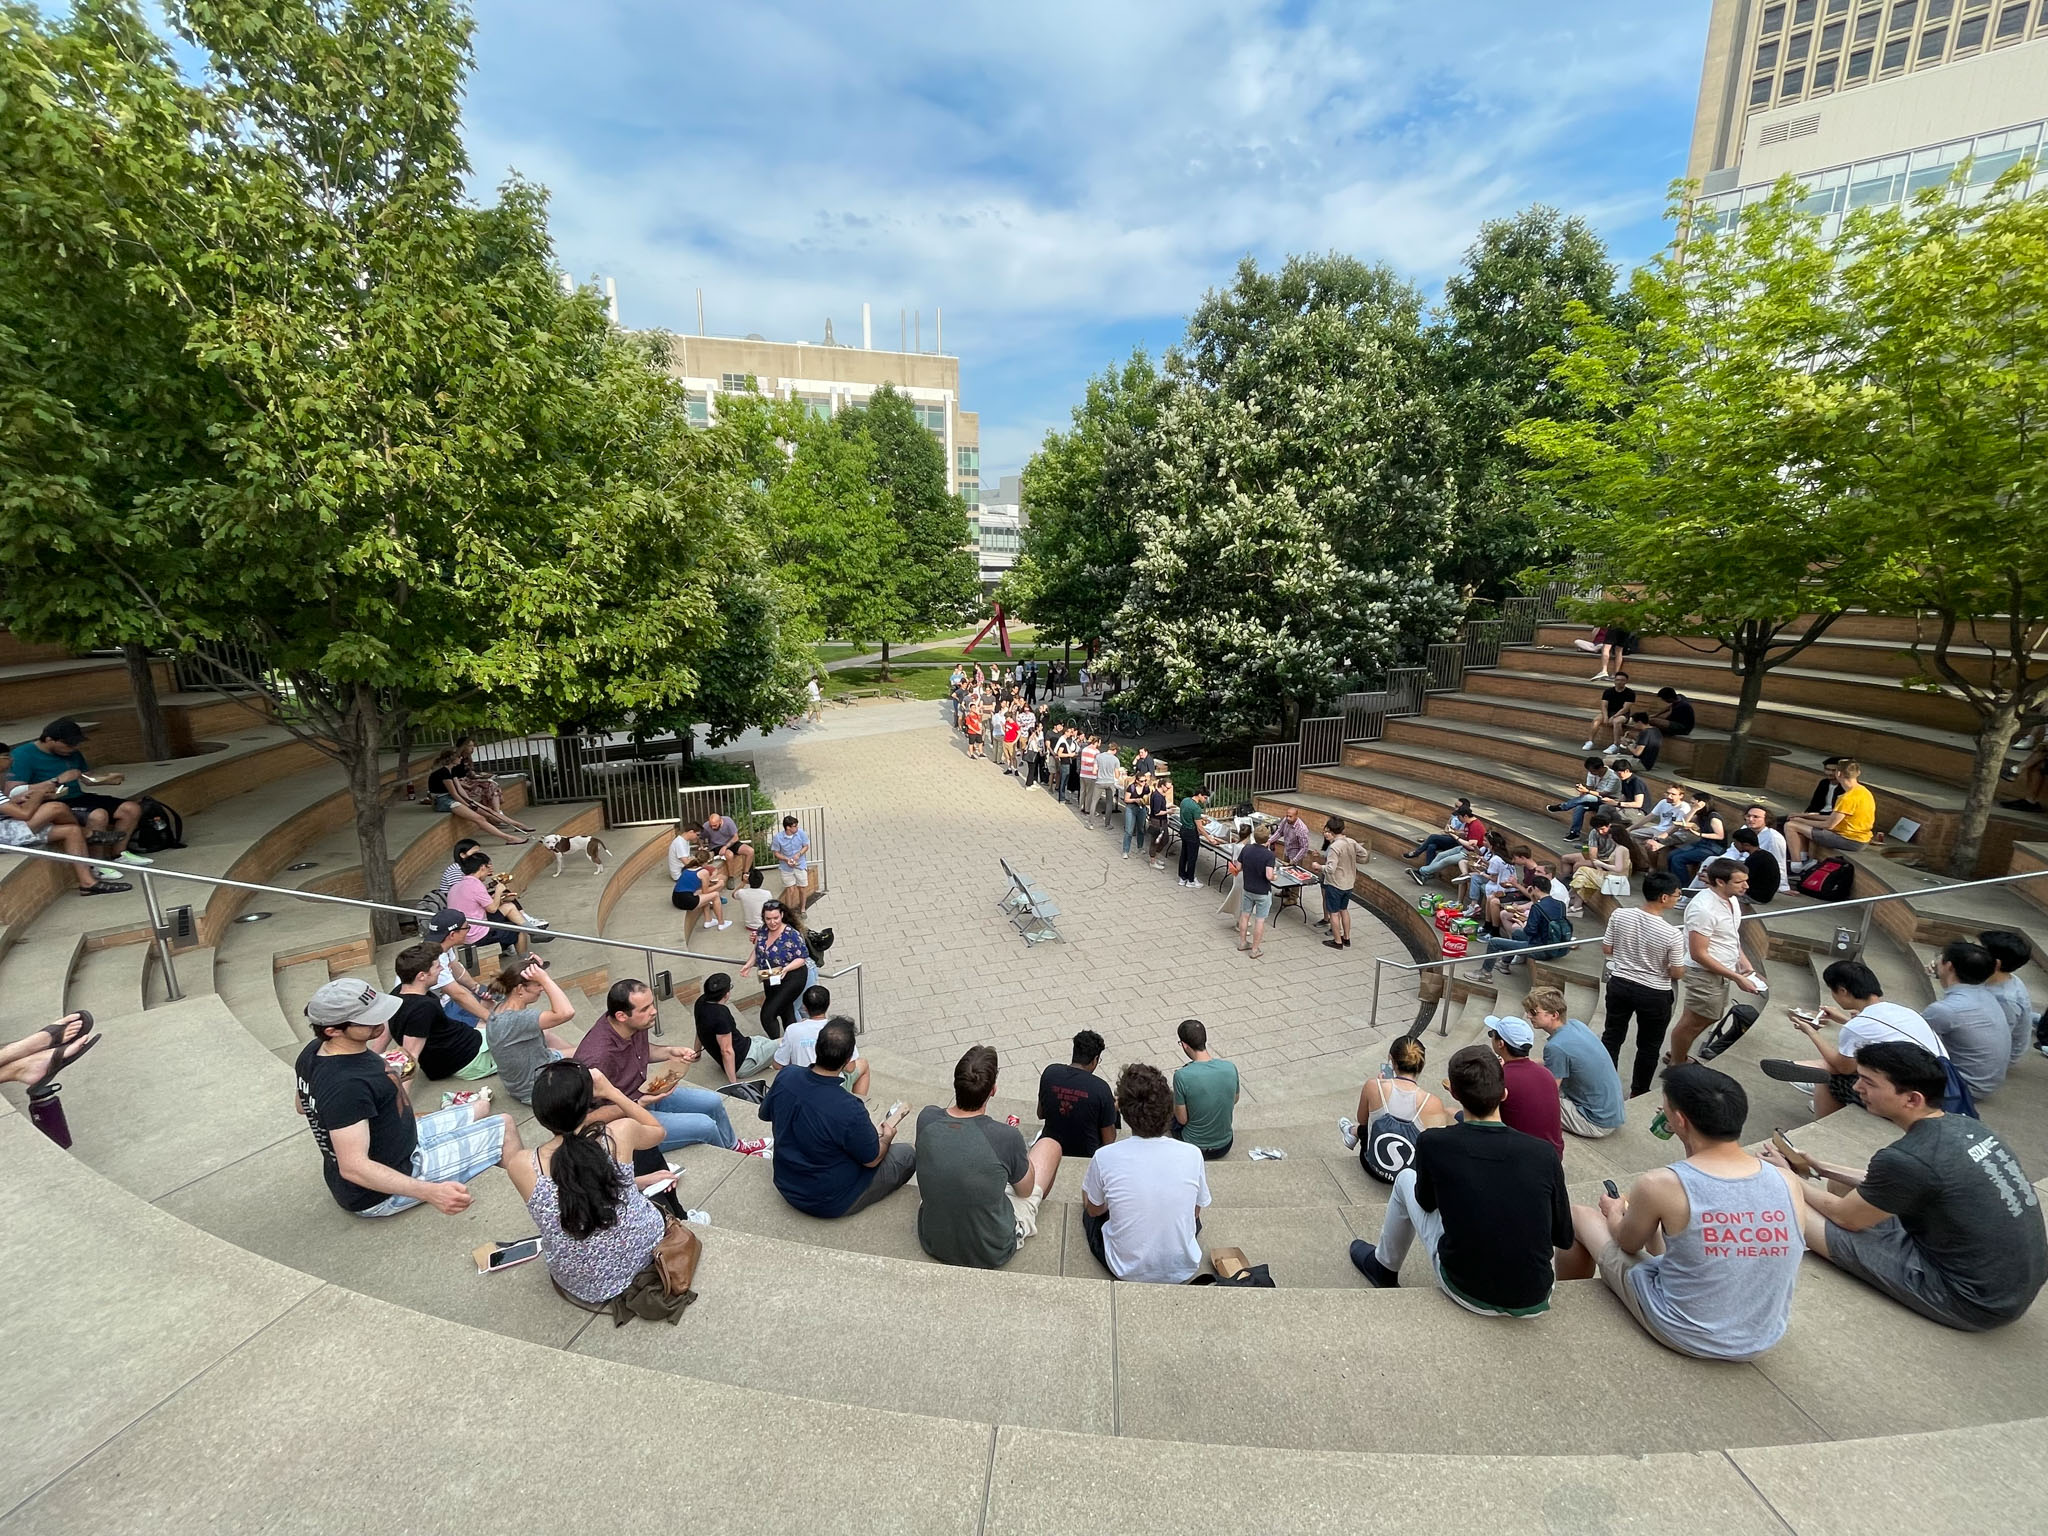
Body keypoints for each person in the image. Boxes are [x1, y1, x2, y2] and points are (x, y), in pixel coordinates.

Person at [1764, 1041, 2047, 1331]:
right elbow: (1900, 1180)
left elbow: (1843, 1217)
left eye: (1868, 1082)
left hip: (1971, 1299)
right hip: (2006, 1282)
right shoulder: (1968, 1127)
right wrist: (1822, 1168)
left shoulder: (1908, 1157)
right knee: (1837, 1184)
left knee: (1785, 1199)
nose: (1857, 1087)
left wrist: (1788, 1176)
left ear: (1912, 1099)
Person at [1556, 1064, 1807, 1360]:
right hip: (1761, 1336)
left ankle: (1568, 1307)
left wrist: (1614, 1211)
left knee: (1577, 1215)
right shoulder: (1786, 1181)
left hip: (1684, 1330)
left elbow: (1626, 1242)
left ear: (1678, 1120)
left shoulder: (1661, 1184)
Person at [1348, 1044, 1574, 1315]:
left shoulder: (1435, 1143)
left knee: (1406, 1178)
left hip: (1464, 1288)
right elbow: (1562, 1235)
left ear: (1453, 1093)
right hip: (1536, 1294)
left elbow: (1426, 1202)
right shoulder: (1544, 1153)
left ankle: (1383, 1266)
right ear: (1504, 1094)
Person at [295, 979, 515, 1217]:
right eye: (369, 1019)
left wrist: (387, 1074)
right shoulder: (347, 1086)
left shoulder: (314, 1051)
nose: (380, 1021)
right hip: (381, 1189)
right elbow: (354, 1167)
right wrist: (431, 1192)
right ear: (333, 1030)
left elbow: (301, 1104)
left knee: (480, 1107)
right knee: (504, 1126)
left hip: (399, 1139)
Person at [504, 1060, 669, 1306]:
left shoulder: (520, 1165)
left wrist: (636, 1182)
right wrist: (611, 1091)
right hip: (643, 1254)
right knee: (661, 1199)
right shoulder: (617, 1134)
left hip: (577, 1283)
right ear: (588, 1106)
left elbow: (572, 1188)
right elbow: (657, 1130)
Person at [574, 978, 767, 1155]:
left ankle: (734, 1146)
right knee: (705, 1126)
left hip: (642, 1094)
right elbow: (583, 1120)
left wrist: (669, 1052)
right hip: (623, 1119)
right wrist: (639, 1104)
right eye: (645, 1009)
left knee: (713, 1102)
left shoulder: (634, 1023)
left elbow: (638, 1051)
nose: (654, 1011)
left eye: (652, 1004)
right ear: (621, 1016)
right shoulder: (596, 1058)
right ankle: (729, 1157)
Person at [916, 1046, 1063, 1269]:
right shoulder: (1006, 1137)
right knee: (1050, 1146)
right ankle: (1026, 1219)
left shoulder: (926, 1118)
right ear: (992, 1090)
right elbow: (1024, 1190)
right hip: (991, 1250)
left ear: (956, 1083)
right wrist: (1018, 1152)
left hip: (933, 1240)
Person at [758, 1019, 915, 1218]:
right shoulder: (849, 1108)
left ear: (817, 1047)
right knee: (908, 1153)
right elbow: (872, 1160)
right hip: (829, 1200)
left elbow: (765, 1113)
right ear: (848, 1058)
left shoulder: (786, 1075)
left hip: (785, 1181)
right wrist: (887, 1136)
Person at [1767, 958, 1948, 1117]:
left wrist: (1811, 1032)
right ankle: (1802, 1068)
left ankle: (1823, 1117)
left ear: (1843, 991)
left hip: (1909, 1099)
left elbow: (1843, 1067)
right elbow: (1875, 1035)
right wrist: (1843, 1019)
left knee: (1831, 1077)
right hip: (1939, 1086)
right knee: (1860, 1061)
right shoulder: (1902, 1011)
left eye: (1832, 990)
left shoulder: (1858, 1026)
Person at [1081, 1063, 1211, 1283]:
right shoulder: (1192, 1153)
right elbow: (1196, 1212)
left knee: (1088, 1207)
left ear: (1121, 1109)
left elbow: (1094, 1211)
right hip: (1184, 1268)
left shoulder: (1105, 1157)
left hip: (1126, 1269)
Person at [1668, 858, 1766, 1067]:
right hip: (1704, 974)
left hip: (1722, 970)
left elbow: (1728, 935)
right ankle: (1677, 1063)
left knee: (1702, 1018)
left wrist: (1745, 964)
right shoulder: (1704, 909)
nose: (1746, 886)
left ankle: (1678, 1054)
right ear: (1720, 882)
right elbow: (1698, 953)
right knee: (1694, 1022)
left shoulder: (1731, 900)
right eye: (1740, 882)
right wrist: (1737, 977)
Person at [8, 718, 148, 864]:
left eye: (76, 744)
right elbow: (13, 791)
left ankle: (119, 854)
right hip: (50, 802)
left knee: (131, 809)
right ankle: (97, 864)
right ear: (49, 739)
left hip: (77, 796)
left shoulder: (71, 753)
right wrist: (56, 780)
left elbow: (86, 778)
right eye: (68, 744)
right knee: (98, 815)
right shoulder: (23, 755)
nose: (73, 748)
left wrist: (106, 779)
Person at [1600, 874, 1689, 1098]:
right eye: (1677, 895)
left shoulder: (1619, 914)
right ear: (1664, 897)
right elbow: (1677, 972)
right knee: (1649, 1046)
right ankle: (1638, 1091)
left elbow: (1607, 949)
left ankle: (1605, 1085)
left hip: (1620, 984)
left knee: (1612, 1036)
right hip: (1654, 993)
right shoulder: (1672, 934)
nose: (1678, 899)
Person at [1338, 1034, 1450, 1182]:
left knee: (1367, 1124)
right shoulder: (1433, 1103)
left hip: (1372, 1165)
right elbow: (1435, 1147)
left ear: (1391, 1060)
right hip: (1409, 1176)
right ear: (1421, 1065)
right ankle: (1351, 1132)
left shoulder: (1373, 1086)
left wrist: (1380, 1086)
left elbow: (1362, 1119)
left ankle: (1351, 1132)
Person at [0, 775, 133, 896]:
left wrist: (15, 800)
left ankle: (88, 884)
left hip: (8, 826)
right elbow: (24, 814)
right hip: (4, 835)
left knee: (72, 831)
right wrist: (38, 795)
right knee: (55, 808)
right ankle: (87, 834)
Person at [1922, 940, 2014, 1098]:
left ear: (1949, 966)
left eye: (1939, 958)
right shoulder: (1989, 996)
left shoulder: (1945, 1010)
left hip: (1960, 1086)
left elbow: (1908, 1039)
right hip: (1984, 1083)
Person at [484, 954, 579, 1104]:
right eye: (538, 984)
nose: (541, 988)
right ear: (520, 989)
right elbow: (566, 1012)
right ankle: (576, 1067)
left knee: (547, 1034)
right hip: (535, 1088)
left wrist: (534, 966)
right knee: (588, 1050)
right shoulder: (518, 1020)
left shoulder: (504, 1005)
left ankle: (574, 1066)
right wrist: (545, 979)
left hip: (517, 1084)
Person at [386, 941, 486, 1080]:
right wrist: (402, 1100)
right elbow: (410, 1057)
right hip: (470, 1059)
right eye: (437, 967)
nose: (441, 970)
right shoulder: (422, 1009)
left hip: (463, 1042)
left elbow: (387, 1030)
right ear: (422, 976)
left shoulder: (397, 993)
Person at [1484, 1015, 1564, 1157]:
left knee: (1453, 1114)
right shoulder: (1546, 1074)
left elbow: (1481, 1117)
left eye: (1492, 1034)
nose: (1491, 1037)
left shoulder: (1501, 1078)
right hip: (1551, 1155)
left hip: (1520, 1158)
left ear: (1501, 1043)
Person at [773, 986, 870, 1098]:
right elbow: (850, 1068)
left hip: (802, 1085)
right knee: (863, 1064)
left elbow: (778, 1064)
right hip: (833, 1085)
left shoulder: (792, 1030)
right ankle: (859, 1101)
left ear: (804, 1007)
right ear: (828, 1004)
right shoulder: (840, 1031)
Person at [1784, 758, 1876, 874]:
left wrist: (1800, 820)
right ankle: (1804, 861)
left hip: (1850, 840)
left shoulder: (1847, 798)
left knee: (1790, 826)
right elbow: (1833, 818)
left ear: (1839, 774)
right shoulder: (1864, 792)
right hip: (1858, 838)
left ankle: (1796, 866)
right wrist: (1804, 817)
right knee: (1799, 824)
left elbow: (1829, 825)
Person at [1038, 1030, 1119, 1158]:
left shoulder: (1050, 1073)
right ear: (1095, 1059)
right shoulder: (1101, 1089)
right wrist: (1111, 1110)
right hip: (1087, 1155)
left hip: (1050, 1148)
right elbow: (1109, 1140)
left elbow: (1040, 1114)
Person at [426, 745, 526, 846]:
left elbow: (460, 791)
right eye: (459, 756)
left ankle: (518, 825)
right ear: (452, 758)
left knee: (489, 810)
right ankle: (509, 838)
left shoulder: (451, 770)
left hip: (450, 797)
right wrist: (468, 805)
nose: (461, 758)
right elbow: (454, 794)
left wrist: (470, 801)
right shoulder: (443, 772)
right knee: (479, 818)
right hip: (443, 800)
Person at [1478, 865, 1570, 974]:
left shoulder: (1537, 907)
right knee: (1516, 933)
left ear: (1535, 889)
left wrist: (1520, 923)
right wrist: (1532, 898)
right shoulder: (1560, 905)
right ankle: (1504, 964)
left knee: (1494, 942)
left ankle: (1484, 973)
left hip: (1541, 949)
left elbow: (1529, 931)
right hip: (1555, 946)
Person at [741, 898, 810, 1039]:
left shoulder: (791, 934)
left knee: (767, 1014)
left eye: (775, 918)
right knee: (786, 1010)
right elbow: (758, 950)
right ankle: (792, 1042)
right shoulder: (763, 930)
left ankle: (777, 1044)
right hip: (770, 975)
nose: (772, 922)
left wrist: (786, 969)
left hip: (792, 975)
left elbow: (802, 958)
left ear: (782, 915)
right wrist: (748, 964)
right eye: (768, 919)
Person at [1169, 1019, 1238, 1160]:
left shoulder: (1182, 1076)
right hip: (1225, 1145)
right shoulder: (1230, 1067)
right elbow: (1235, 1099)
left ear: (1184, 1045)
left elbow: (1182, 1120)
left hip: (1193, 1146)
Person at [693, 971, 776, 1082]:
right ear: (726, 994)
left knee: (762, 1040)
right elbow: (726, 1051)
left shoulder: (700, 1002)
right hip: (743, 1063)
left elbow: (699, 1028)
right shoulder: (721, 1015)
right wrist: (733, 1083)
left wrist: (696, 1053)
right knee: (785, 1043)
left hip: (745, 1045)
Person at [1977, 929, 2038, 1067]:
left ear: (1996, 964)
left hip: (1998, 1055)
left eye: (1978, 951)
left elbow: (1994, 1040)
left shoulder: (2005, 1001)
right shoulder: (1998, 977)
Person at [1562, 814, 1631, 917]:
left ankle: (1570, 895)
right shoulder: (1619, 848)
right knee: (1583, 878)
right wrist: (1599, 866)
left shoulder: (1621, 849)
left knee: (1581, 870)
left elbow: (1619, 868)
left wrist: (1601, 865)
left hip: (1615, 877)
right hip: (1608, 872)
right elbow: (1594, 855)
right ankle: (1577, 907)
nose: (1609, 837)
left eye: (1611, 836)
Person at [1316, 816, 1364, 949]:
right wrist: (1352, 860)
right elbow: (1364, 854)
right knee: (1344, 910)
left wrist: (1319, 867)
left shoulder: (1334, 847)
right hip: (1349, 883)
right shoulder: (1351, 842)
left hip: (1336, 884)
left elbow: (1330, 869)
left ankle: (1337, 941)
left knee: (1334, 913)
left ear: (1331, 830)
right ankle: (1347, 938)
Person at [1231, 823, 1277, 960]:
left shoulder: (1247, 849)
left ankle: (1242, 942)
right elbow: (1269, 875)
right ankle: (1255, 949)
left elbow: (1238, 867)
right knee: (1260, 920)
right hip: (1262, 891)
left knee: (1245, 916)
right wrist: (1275, 877)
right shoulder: (1269, 855)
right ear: (1267, 839)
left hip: (1248, 888)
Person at [1663, 795, 1730, 889]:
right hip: (1702, 844)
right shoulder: (1700, 815)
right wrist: (1694, 810)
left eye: (1693, 803)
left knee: (1678, 859)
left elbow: (1720, 836)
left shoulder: (1714, 817)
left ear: (1702, 804)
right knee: (1671, 855)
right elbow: (1685, 822)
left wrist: (1700, 835)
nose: (1691, 805)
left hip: (1714, 848)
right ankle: (1672, 881)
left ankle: (1683, 887)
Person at [1549, 756, 1621, 842]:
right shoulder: (1591, 773)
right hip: (1594, 799)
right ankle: (1574, 833)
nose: (1591, 773)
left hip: (1608, 801)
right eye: (1590, 771)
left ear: (1601, 768)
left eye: (1593, 771)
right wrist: (1583, 791)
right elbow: (1590, 788)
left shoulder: (1613, 778)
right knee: (1580, 807)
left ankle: (1562, 807)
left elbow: (1604, 793)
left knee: (1587, 797)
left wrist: (1587, 791)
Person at [768, 814, 811, 920]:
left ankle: (803, 909)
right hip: (786, 867)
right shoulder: (778, 838)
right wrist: (786, 859)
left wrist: (799, 854)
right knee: (789, 890)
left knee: (802, 888)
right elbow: (776, 853)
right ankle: (789, 912)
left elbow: (806, 846)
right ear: (788, 827)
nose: (797, 828)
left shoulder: (801, 833)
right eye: (794, 826)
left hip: (800, 864)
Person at [1584, 673, 1638, 752]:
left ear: (1626, 681)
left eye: (1622, 680)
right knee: (1596, 720)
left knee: (1616, 721)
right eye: (1617, 680)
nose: (1619, 682)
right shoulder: (1608, 691)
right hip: (1609, 712)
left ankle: (1615, 744)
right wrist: (1606, 717)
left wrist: (1613, 717)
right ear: (1614, 681)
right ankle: (1590, 741)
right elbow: (1604, 706)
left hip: (1622, 714)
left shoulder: (1630, 693)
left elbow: (1625, 708)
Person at [1728, 825, 1780, 905]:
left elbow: (1742, 879)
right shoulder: (1764, 855)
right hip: (1765, 895)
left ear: (1746, 845)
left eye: (1736, 843)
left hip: (1756, 897)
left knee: (1721, 893)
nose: (1734, 845)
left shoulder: (1754, 859)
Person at [1175, 787, 1210, 887]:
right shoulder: (1196, 807)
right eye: (1205, 797)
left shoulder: (1185, 801)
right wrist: (1209, 838)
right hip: (1191, 833)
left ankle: (1182, 877)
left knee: (1184, 855)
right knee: (1192, 857)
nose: (1205, 800)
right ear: (1199, 795)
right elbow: (1200, 827)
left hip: (1183, 830)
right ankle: (1191, 880)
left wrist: (1200, 817)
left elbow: (1187, 814)